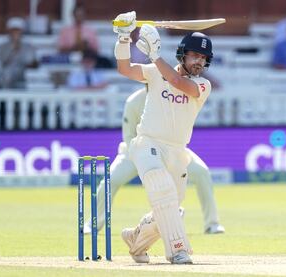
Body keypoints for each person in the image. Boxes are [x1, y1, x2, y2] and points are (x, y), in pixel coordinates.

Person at [113, 11, 215, 264]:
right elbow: (124, 68)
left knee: (170, 209)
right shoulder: (155, 72)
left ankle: (136, 240)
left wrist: (155, 55)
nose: (199, 62)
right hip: (147, 142)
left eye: (203, 58)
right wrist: (124, 38)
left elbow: (178, 82)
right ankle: (178, 250)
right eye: (194, 55)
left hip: (178, 151)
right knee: (162, 190)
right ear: (183, 53)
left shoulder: (203, 86)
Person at [84, 87, 225, 235]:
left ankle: (212, 224)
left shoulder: (172, 97)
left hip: (169, 151)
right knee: (110, 180)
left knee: (201, 172)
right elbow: (129, 136)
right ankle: (93, 223)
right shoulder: (134, 101)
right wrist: (145, 159)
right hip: (134, 152)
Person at [0, 17, 37, 88]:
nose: (15, 33)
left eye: (17, 30)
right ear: (9, 31)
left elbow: (30, 62)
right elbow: (3, 61)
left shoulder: (28, 46)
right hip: (7, 72)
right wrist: (13, 49)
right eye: (13, 30)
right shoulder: (3, 46)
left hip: (22, 72)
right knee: (7, 73)